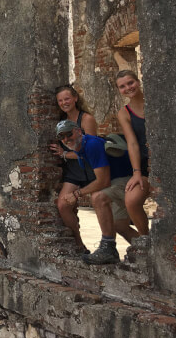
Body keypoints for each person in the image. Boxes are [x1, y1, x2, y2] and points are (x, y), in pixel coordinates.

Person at [57, 120, 138, 264]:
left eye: (69, 134)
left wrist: (76, 194)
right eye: (61, 137)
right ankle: (147, 250)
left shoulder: (92, 145)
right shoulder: (80, 148)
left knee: (98, 197)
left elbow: (103, 181)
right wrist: (63, 153)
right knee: (119, 225)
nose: (66, 139)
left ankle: (108, 248)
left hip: (126, 180)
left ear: (79, 132)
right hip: (117, 182)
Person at [48, 85, 98, 252]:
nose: (64, 103)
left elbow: (91, 152)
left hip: (91, 168)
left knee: (101, 203)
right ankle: (79, 243)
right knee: (63, 205)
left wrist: (64, 154)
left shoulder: (86, 120)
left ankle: (108, 244)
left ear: (75, 98)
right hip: (74, 171)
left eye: (67, 99)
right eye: (60, 100)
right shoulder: (60, 121)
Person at [116, 70, 150, 237]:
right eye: (122, 86)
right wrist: (137, 172)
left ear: (138, 81)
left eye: (130, 83)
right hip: (144, 166)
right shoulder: (124, 113)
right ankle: (146, 241)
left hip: (166, 163)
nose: (128, 88)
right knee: (131, 201)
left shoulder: (154, 102)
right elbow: (132, 143)